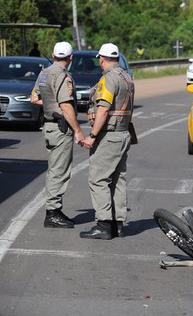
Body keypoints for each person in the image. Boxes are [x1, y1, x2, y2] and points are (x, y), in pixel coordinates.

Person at [80, 43, 135, 240]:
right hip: (123, 134)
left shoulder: (109, 79)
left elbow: (103, 109)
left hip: (109, 135)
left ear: (101, 59)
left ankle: (103, 224)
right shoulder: (126, 77)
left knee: (98, 178)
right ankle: (117, 224)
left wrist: (92, 136)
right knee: (118, 179)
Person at [30, 41, 85, 228]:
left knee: (54, 169)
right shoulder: (63, 76)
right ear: (70, 58)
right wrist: (78, 130)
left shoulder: (44, 73)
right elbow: (66, 105)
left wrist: (49, 104)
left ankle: (54, 209)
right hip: (61, 128)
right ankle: (52, 212)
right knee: (60, 171)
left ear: (53, 55)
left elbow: (34, 98)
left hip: (49, 127)